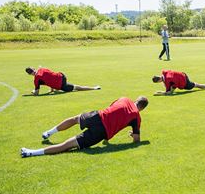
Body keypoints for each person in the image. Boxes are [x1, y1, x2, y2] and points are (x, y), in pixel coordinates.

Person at [20, 96, 148, 158]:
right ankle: (31, 153)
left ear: (136, 99)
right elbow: (136, 140)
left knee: (75, 119)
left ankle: (49, 132)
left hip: (98, 116)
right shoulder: (136, 117)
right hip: (102, 132)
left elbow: (112, 107)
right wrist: (132, 134)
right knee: (67, 145)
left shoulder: (124, 98)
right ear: (142, 108)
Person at [25, 67, 100, 95]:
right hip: (61, 75)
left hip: (61, 85)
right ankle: (94, 88)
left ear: (29, 74)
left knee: (76, 87)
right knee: (75, 86)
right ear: (34, 69)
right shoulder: (42, 69)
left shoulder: (36, 79)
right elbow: (50, 76)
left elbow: (37, 93)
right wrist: (51, 89)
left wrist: (33, 92)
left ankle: (94, 88)